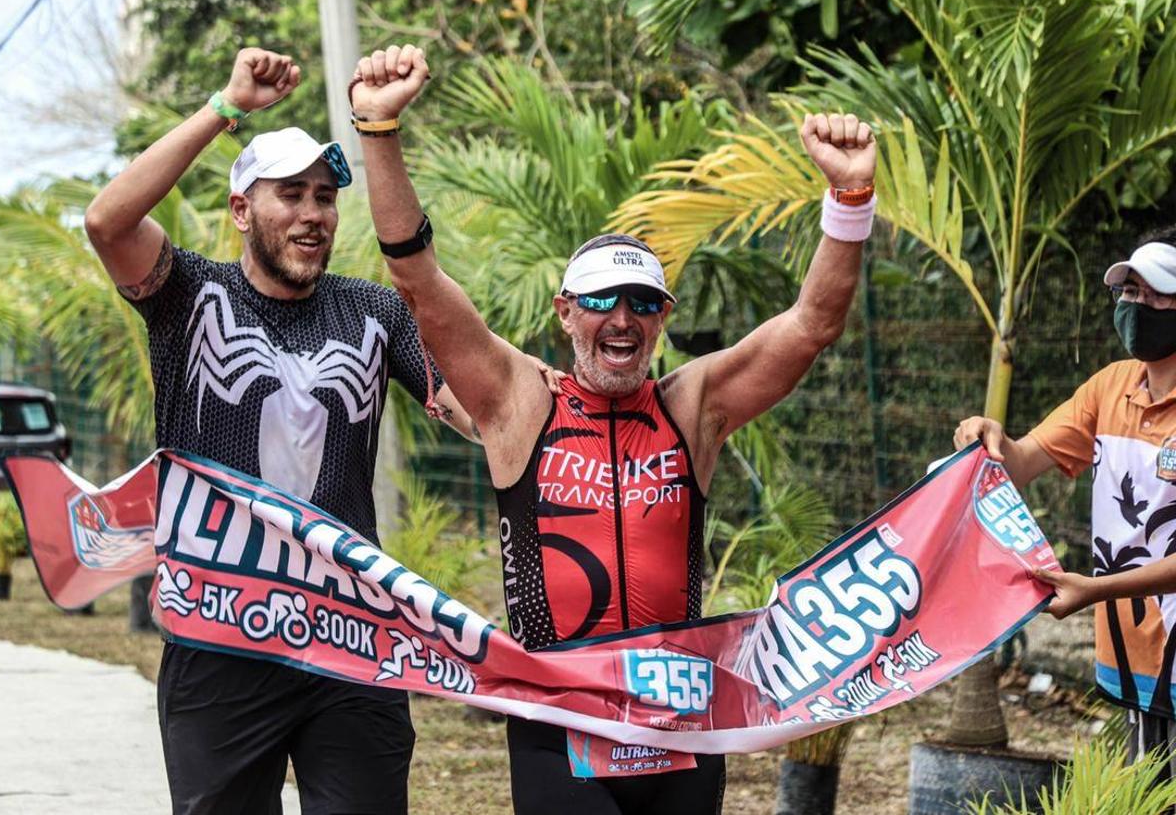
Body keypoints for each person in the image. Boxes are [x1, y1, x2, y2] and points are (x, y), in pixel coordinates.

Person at [348, 43, 878, 814]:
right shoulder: (518, 400)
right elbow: (416, 277)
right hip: (559, 713)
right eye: (601, 302)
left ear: (663, 318)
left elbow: (812, 323)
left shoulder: (692, 405)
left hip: (679, 713)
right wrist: (378, 129)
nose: (621, 320)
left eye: (642, 303)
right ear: (566, 312)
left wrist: (851, 196)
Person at [83, 47, 482, 814]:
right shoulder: (190, 297)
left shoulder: (375, 311)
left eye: (326, 197)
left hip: (350, 631)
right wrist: (226, 107)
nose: (312, 214)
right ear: (241, 210)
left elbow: (469, 409)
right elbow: (108, 221)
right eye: (290, 195)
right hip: (221, 630)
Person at [954, 228, 1176, 774]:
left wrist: (1094, 590)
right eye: (1129, 292)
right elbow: (1022, 460)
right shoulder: (1110, 387)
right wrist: (989, 436)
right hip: (1136, 656)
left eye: (1155, 294)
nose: (1136, 305)